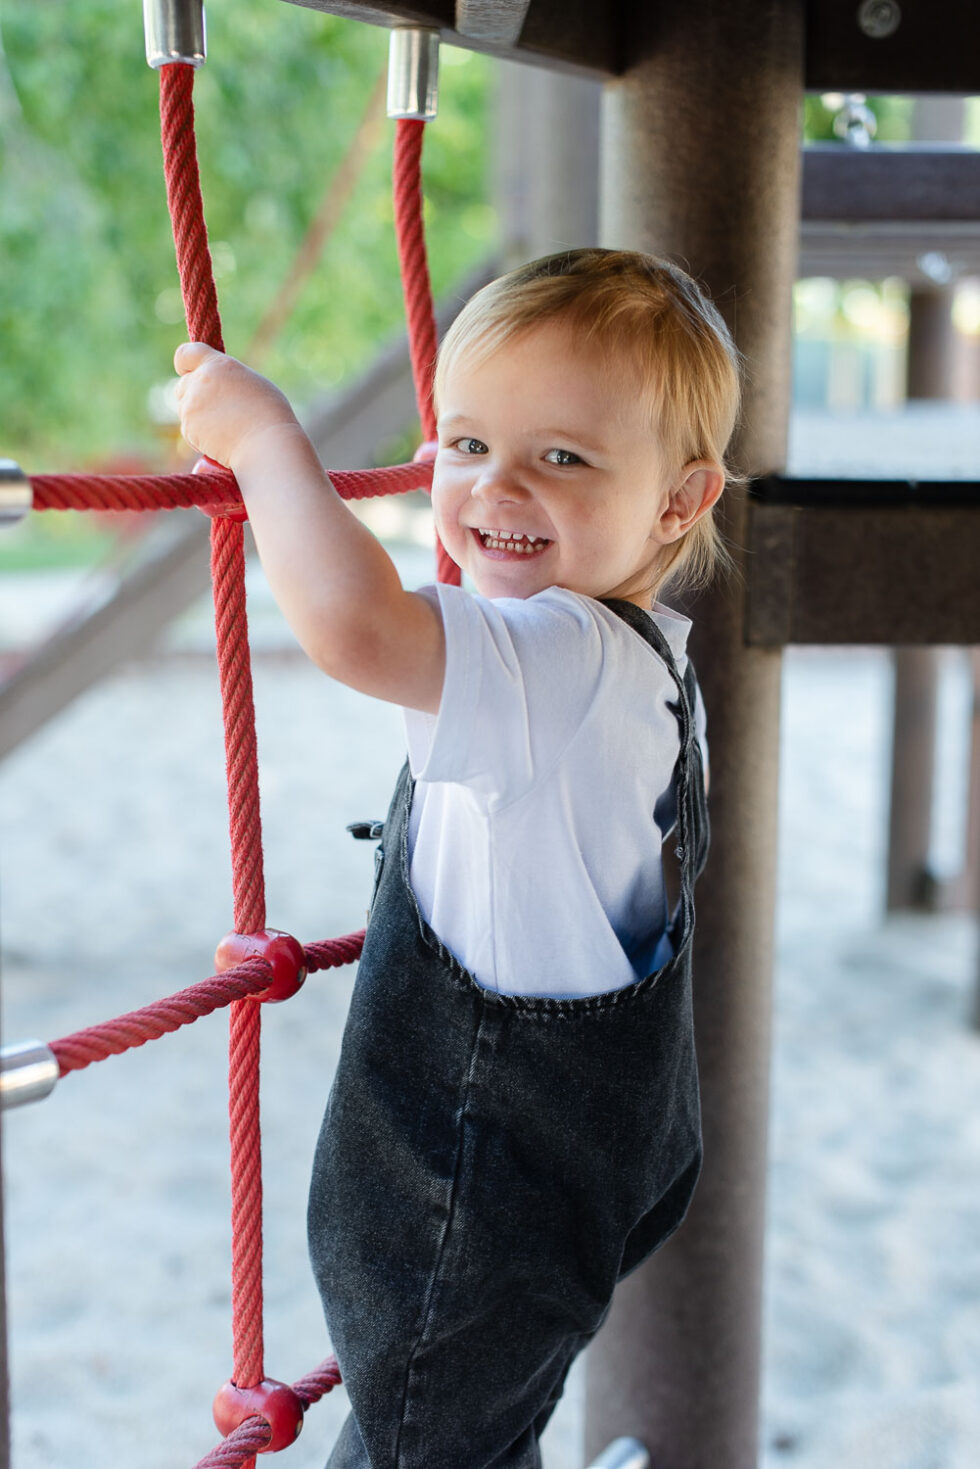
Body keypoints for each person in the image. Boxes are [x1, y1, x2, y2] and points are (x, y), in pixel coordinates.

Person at [174, 247, 740, 1469]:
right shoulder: (644, 655)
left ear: (679, 501)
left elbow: (357, 626)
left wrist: (270, 442)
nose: (496, 487)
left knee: (422, 1439)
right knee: (466, 1433)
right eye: (469, 444)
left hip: (472, 1200)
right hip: (582, 1159)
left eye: (564, 457)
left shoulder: (555, 660)